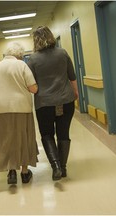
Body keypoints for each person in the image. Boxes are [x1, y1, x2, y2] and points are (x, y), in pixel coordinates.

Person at [27, 26, 79, 181]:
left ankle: (55, 166)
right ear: (51, 37)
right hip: (66, 100)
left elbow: (31, 83)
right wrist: (75, 92)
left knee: (47, 134)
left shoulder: (33, 59)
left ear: (36, 40)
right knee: (64, 134)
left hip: (44, 104)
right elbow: (72, 76)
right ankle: (63, 168)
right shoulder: (62, 53)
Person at [0, 42, 38, 185]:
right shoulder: (22, 66)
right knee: (23, 139)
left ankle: (11, 173)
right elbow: (33, 89)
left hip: (1, 109)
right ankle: (25, 173)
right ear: (20, 55)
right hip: (21, 107)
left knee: (6, 139)